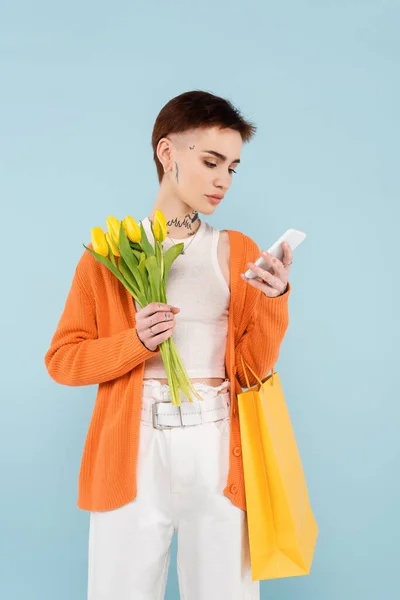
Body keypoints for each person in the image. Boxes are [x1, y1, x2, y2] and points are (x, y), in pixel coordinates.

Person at [44, 90, 293, 600]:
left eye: (233, 167)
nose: (223, 180)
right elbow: (63, 360)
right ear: (167, 154)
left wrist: (274, 300)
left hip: (219, 444)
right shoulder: (108, 254)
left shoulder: (236, 251)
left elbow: (251, 371)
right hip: (132, 448)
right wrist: (135, 342)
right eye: (210, 161)